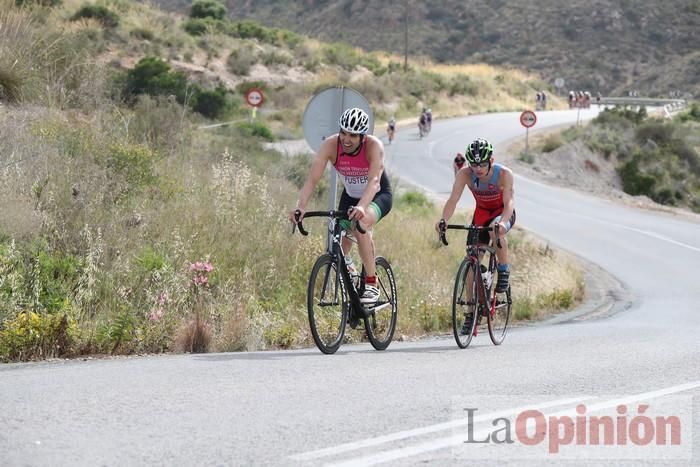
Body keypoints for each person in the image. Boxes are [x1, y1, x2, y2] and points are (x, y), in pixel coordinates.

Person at [289, 107, 393, 305]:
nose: (346, 139)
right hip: (350, 196)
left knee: (359, 225)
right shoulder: (330, 145)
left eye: (353, 135)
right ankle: (351, 274)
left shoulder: (373, 146)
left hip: (378, 195)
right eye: (343, 132)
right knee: (340, 241)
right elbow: (312, 179)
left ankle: (372, 283)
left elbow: (373, 182)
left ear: (363, 136)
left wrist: (362, 207)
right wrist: (300, 207)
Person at [436, 137, 516, 299]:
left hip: (502, 212)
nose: (478, 169)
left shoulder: (504, 174)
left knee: (495, 231)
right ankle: (470, 312)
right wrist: (444, 219)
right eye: (474, 165)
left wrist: (502, 222)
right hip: (481, 213)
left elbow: (509, 203)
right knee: (471, 262)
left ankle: (503, 269)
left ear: (491, 161)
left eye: (483, 164)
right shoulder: (464, 174)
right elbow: (453, 199)